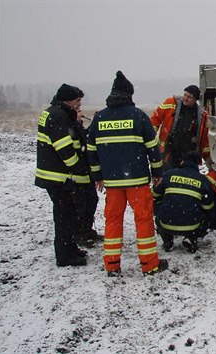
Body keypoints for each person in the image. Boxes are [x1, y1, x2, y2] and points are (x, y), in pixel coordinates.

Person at [87, 71, 168, 277]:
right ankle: (149, 265)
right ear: (129, 95)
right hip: (138, 181)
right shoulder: (139, 116)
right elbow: (153, 148)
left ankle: (112, 265)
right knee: (143, 220)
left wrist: (98, 177)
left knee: (113, 221)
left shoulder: (100, 118)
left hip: (112, 182)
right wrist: (157, 171)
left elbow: (91, 151)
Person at [35, 83, 91, 267]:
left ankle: (70, 247)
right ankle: (65, 255)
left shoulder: (53, 112)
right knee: (64, 215)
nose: (78, 105)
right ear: (67, 100)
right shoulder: (59, 117)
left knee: (66, 214)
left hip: (53, 174)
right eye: (77, 101)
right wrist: (78, 168)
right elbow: (65, 148)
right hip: (58, 176)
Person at [152, 151, 216, 253]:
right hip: (192, 225)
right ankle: (192, 237)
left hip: (166, 224)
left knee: (157, 203)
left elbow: (154, 194)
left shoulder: (169, 174)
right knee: (204, 208)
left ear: (182, 161)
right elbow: (209, 207)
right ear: (198, 163)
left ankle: (167, 240)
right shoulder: (203, 180)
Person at [150, 85, 210, 171]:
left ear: (195, 100)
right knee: (168, 177)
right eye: (185, 95)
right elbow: (156, 118)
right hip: (169, 151)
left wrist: (208, 159)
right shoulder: (171, 103)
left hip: (189, 156)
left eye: (190, 97)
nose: (185, 98)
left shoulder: (202, 115)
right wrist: (150, 135)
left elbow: (204, 140)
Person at [71, 89, 102, 248]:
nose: (80, 112)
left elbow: (87, 139)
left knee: (92, 200)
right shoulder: (71, 127)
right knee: (82, 204)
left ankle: (87, 230)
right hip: (78, 174)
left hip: (86, 172)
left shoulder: (78, 126)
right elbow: (84, 143)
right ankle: (80, 233)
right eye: (77, 110)